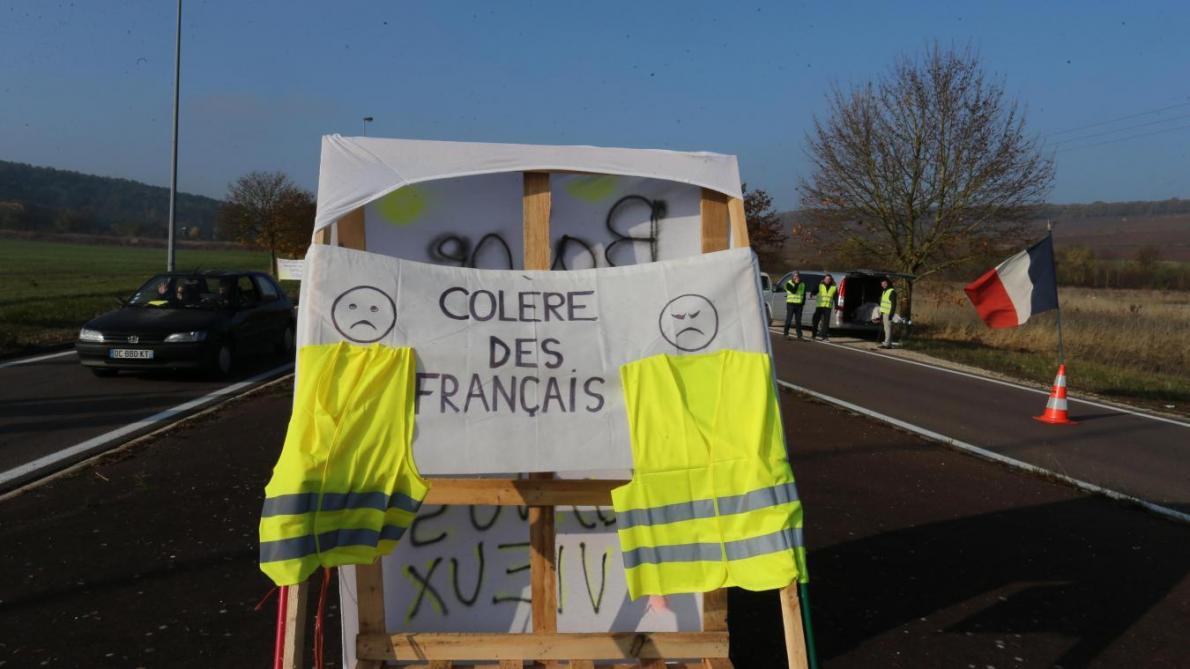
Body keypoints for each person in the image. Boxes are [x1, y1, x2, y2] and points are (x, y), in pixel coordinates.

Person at [811, 274, 837, 341]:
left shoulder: (834, 287)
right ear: (824, 279)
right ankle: (813, 335)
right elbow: (814, 291)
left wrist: (836, 307)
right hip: (820, 306)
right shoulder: (820, 285)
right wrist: (812, 294)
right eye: (826, 279)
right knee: (816, 321)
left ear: (831, 280)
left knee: (826, 322)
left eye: (829, 279)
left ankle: (825, 336)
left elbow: (836, 298)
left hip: (828, 307)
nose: (827, 280)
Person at [782, 272, 807, 340]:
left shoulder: (802, 284)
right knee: (789, 320)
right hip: (791, 304)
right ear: (792, 277)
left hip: (799, 305)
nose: (796, 277)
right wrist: (796, 283)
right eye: (795, 276)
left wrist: (803, 303)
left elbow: (804, 294)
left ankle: (799, 336)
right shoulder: (788, 283)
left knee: (798, 321)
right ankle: (786, 333)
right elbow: (794, 291)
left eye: (797, 276)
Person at [877, 276, 897, 349]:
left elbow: (894, 304)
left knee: (887, 329)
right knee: (887, 329)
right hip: (885, 313)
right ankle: (889, 343)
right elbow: (883, 303)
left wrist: (891, 314)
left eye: (884, 283)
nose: (882, 285)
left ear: (887, 283)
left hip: (888, 313)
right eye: (882, 283)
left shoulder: (891, 291)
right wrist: (882, 313)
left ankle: (886, 344)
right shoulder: (884, 291)